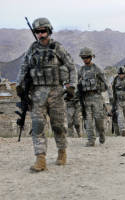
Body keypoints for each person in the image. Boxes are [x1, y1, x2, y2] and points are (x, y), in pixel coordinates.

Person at [16, 17, 77, 172]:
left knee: (58, 126)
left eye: (43, 31)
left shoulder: (57, 48)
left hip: (56, 92)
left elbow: (72, 67)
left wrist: (72, 86)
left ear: (48, 31)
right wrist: (20, 86)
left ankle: (62, 152)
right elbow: (24, 68)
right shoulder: (32, 49)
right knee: (37, 126)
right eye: (37, 32)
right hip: (37, 94)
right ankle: (40, 159)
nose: (40, 34)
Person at [77, 47, 112, 146]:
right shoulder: (81, 70)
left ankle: (101, 134)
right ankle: (91, 140)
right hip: (86, 99)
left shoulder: (97, 69)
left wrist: (111, 98)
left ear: (91, 57)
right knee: (88, 120)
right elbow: (76, 83)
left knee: (98, 121)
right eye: (83, 57)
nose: (85, 59)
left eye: (86, 57)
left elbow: (107, 84)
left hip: (97, 98)